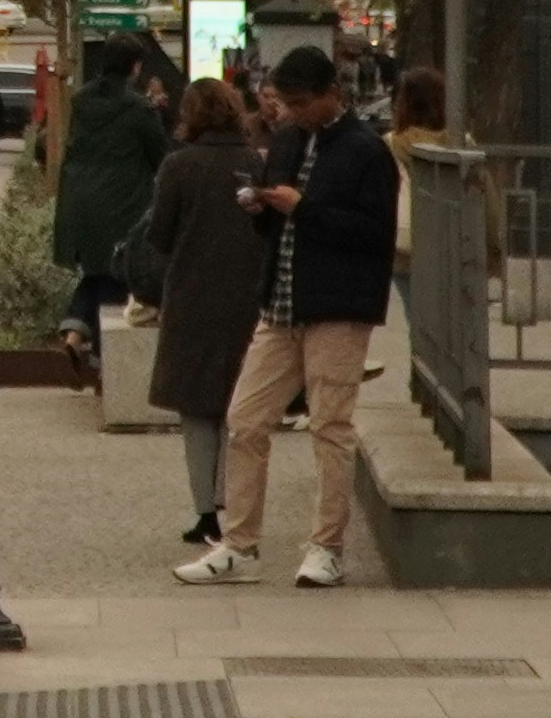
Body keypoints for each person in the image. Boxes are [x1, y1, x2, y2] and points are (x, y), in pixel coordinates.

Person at [184, 53, 399, 589]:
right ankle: (238, 544)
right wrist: (262, 210)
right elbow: (279, 227)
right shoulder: (286, 141)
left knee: (330, 425)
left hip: (337, 306)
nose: (292, 114)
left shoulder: (366, 151)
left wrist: (302, 209)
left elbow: (375, 235)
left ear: (333, 93)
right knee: (246, 419)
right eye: (284, 104)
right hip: (280, 303)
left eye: (301, 104)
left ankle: (326, 547)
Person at [136, 75, 267, 556]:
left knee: (196, 411)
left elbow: (160, 236)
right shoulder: (253, 162)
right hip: (246, 300)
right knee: (238, 407)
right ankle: (232, 504)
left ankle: (205, 513)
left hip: (191, 297)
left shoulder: (179, 166)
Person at [54, 42, 168, 381]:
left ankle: (74, 333)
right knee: (119, 275)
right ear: (135, 67)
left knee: (95, 271)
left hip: (79, 200)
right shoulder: (138, 109)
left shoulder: (82, 101)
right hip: (123, 202)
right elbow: (160, 155)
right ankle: (105, 363)